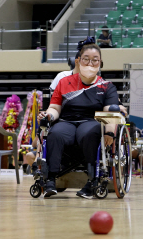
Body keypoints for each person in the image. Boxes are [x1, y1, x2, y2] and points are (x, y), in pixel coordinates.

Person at [39, 42, 121, 199]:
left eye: (95, 60)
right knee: (55, 133)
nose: (90, 63)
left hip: (91, 121)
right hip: (67, 121)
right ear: (78, 61)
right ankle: (50, 180)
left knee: (89, 133)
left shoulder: (107, 87)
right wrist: (49, 115)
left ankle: (92, 180)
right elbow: (55, 108)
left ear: (100, 63)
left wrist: (110, 131)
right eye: (86, 59)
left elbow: (109, 112)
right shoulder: (64, 82)